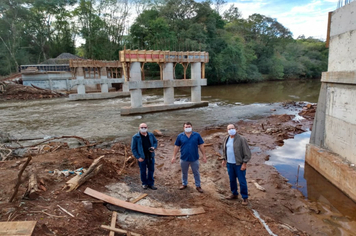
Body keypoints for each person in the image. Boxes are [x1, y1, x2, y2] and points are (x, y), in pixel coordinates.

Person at [171, 122, 207, 193]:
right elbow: (176, 146)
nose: (188, 128)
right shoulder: (180, 136)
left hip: (194, 158)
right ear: (183, 128)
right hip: (184, 158)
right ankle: (184, 184)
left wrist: (204, 156)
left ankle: (198, 186)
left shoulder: (197, 135)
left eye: (189, 126)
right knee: (184, 172)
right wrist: (174, 156)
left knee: (196, 172)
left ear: (192, 127)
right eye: (186, 127)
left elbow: (201, 145)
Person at [222, 124, 251, 206]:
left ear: (236, 129)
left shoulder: (241, 139)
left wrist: (244, 163)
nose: (231, 130)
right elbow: (224, 150)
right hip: (230, 164)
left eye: (232, 128)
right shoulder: (226, 139)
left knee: (242, 181)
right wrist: (224, 159)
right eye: (229, 129)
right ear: (227, 130)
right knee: (232, 180)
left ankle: (245, 197)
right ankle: (234, 194)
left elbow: (247, 153)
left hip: (239, 164)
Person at [131, 123, 158, 190]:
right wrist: (138, 157)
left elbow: (155, 142)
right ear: (139, 128)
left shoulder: (151, 135)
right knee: (143, 171)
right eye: (142, 127)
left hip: (150, 156)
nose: (143, 129)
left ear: (147, 128)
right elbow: (133, 148)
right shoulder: (135, 137)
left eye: (145, 127)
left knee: (151, 170)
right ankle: (144, 183)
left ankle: (151, 184)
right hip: (142, 157)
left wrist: (153, 147)